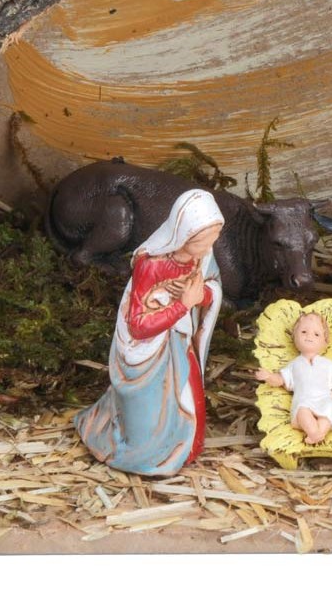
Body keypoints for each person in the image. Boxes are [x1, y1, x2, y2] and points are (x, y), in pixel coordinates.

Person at [74, 188, 224, 476]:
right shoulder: (151, 266)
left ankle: (182, 449)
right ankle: (143, 454)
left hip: (179, 343)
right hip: (149, 354)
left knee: (188, 399)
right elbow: (138, 326)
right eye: (204, 241)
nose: (210, 247)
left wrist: (201, 295)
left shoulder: (203, 257)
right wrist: (182, 305)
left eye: (214, 238)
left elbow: (211, 289)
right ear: (184, 235)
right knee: (146, 424)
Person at [254, 310, 332, 444]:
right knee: (302, 411)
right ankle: (314, 433)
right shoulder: (294, 365)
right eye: (303, 332)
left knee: (330, 409)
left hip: (325, 398)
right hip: (304, 401)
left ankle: (318, 432)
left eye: (316, 334)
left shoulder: (327, 364)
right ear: (294, 337)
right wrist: (268, 376)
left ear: (325, 342)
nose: (309, 336)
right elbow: (280, 380)